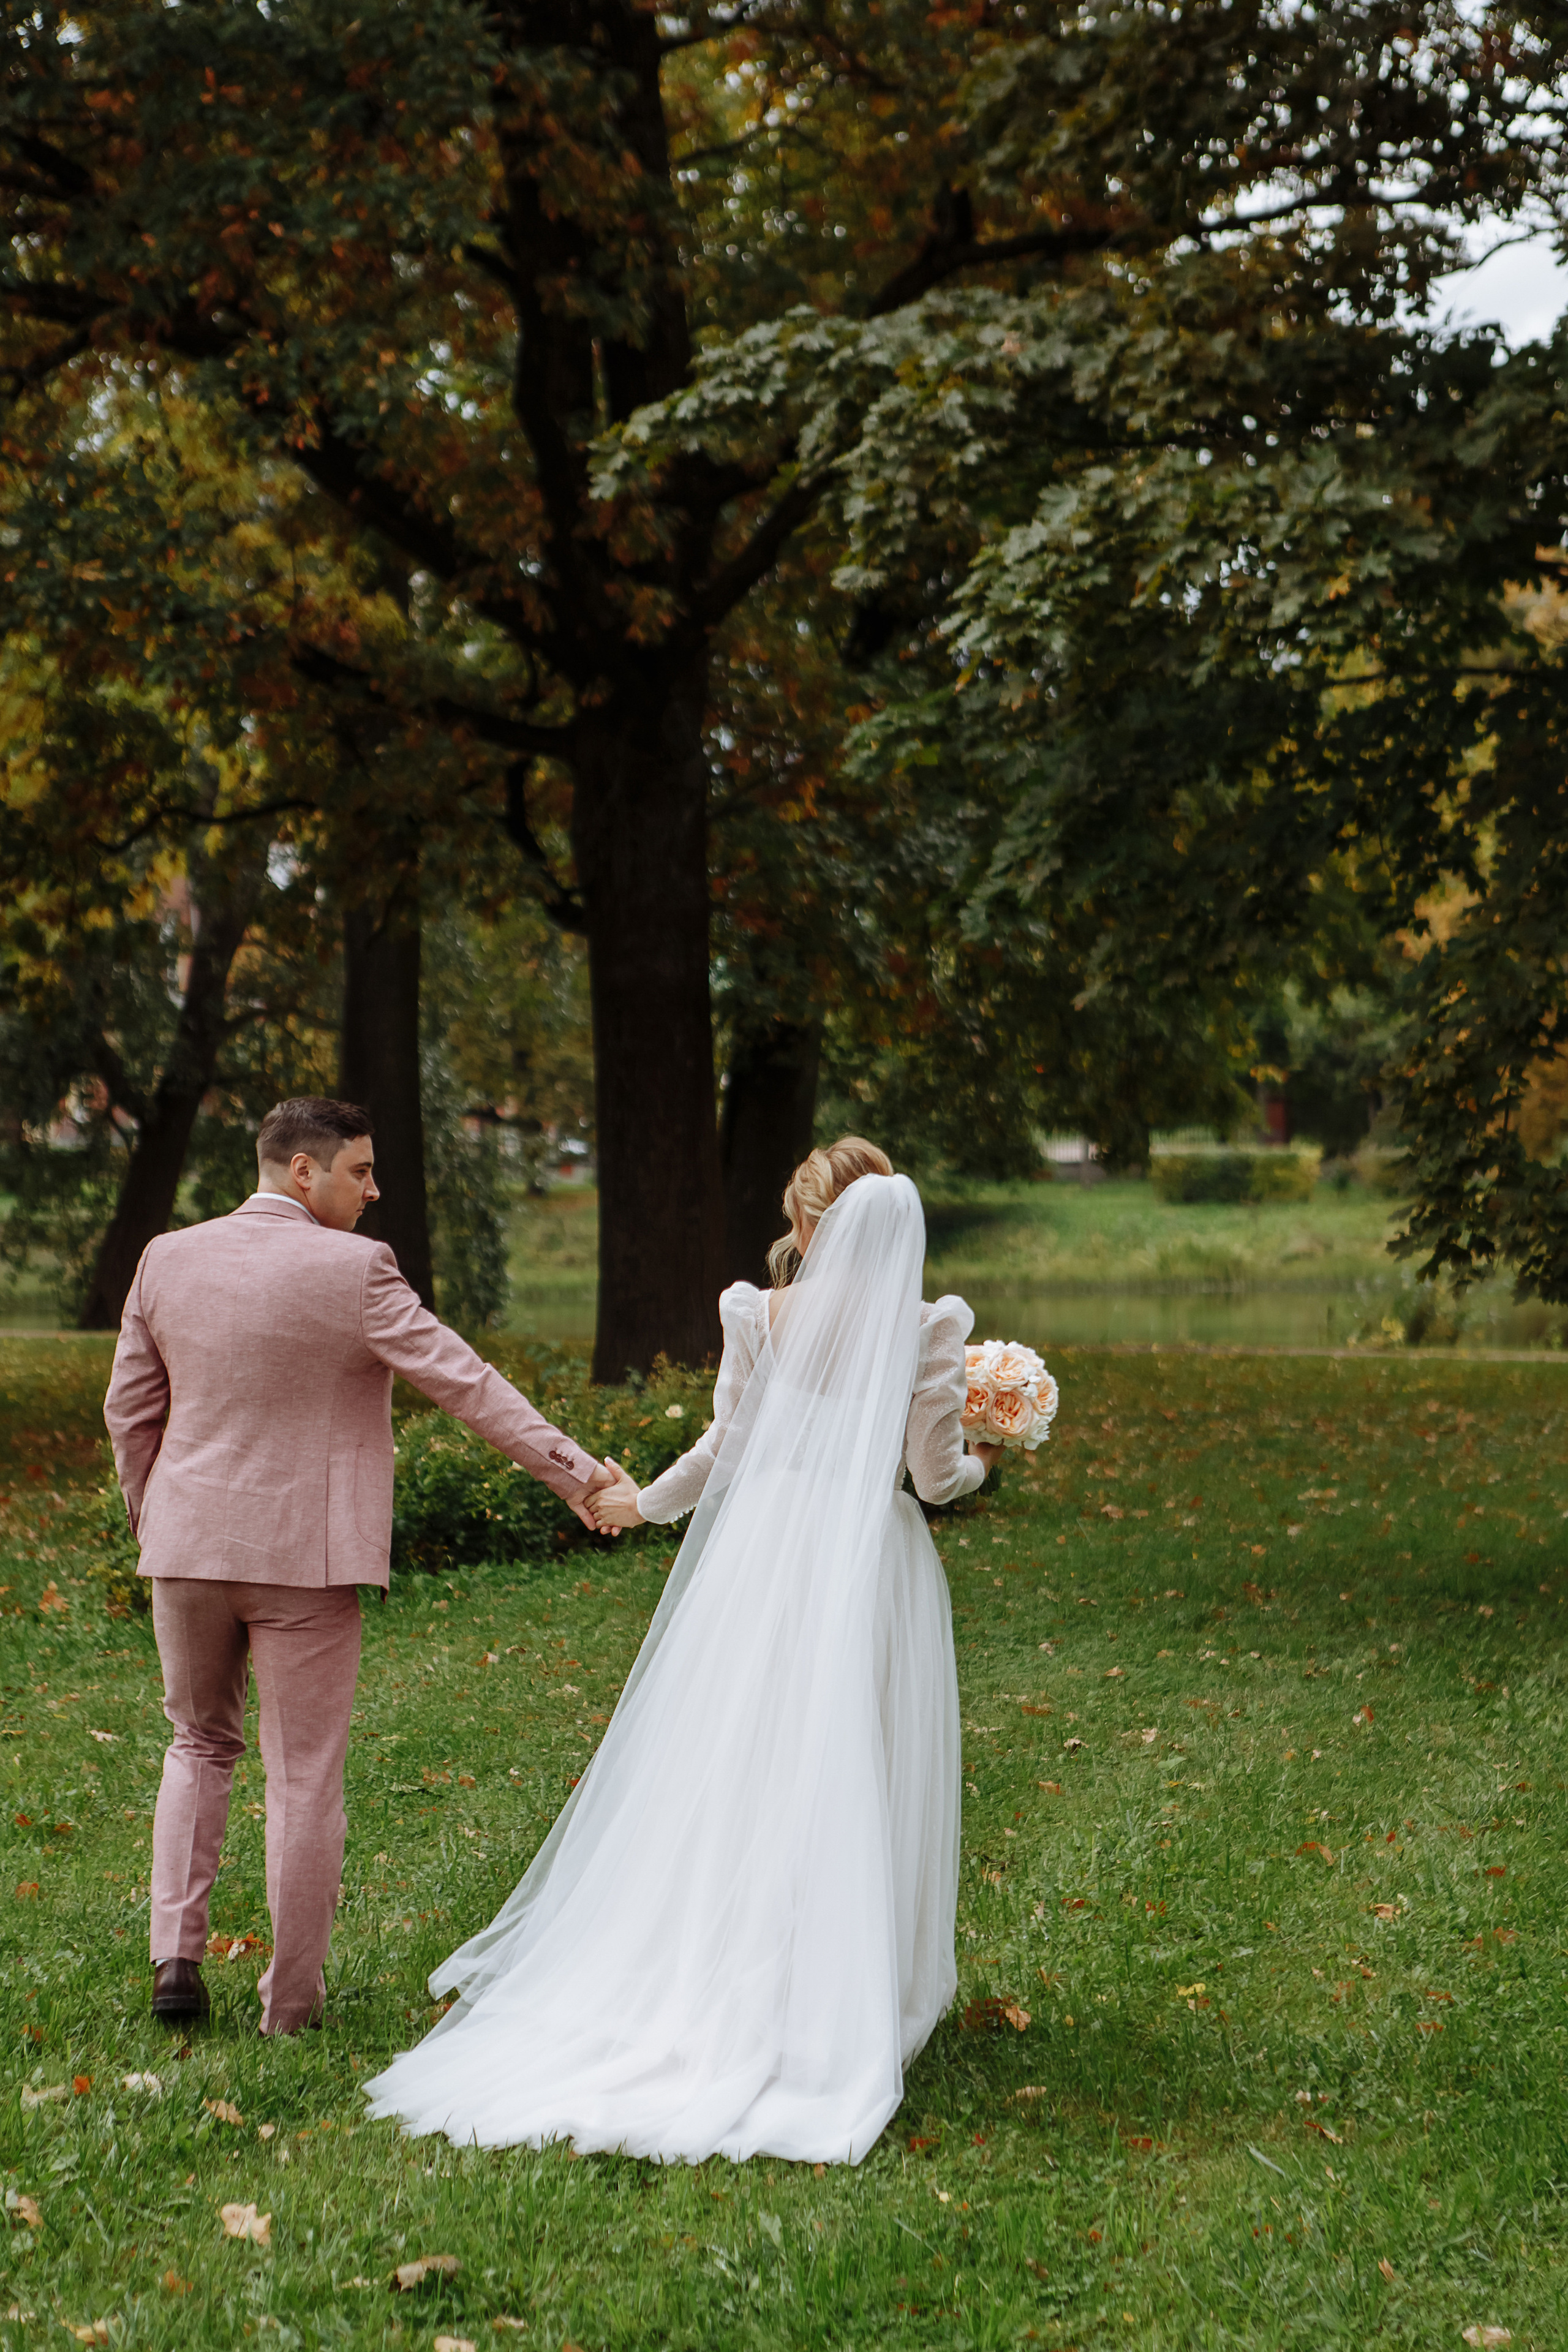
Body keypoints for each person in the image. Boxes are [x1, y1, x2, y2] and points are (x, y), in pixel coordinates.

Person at [363, 1137, 1002, 2163]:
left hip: (767, 1554)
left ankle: (719, 1970)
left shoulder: (760, 1310)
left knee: (741, 1764)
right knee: (855, 1761)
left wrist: (641, 1503)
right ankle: (835, 1992)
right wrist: (983, 1457)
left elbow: (730, 1448)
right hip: (871, 1562)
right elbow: (932, 1481)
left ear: (807, 1225)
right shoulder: (929, 1330)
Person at [103, 1095, 611, 2038]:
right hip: (307, 1560)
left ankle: (176, 1958)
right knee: (303, 1778)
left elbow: (128, 1412)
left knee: (197, 1743)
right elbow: (467, 1384)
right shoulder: (357, 1271)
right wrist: (576, 1475)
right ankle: (288, 2008)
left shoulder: (165, 1258)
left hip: (186, 1549)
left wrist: (157, 1519)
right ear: (304, 1170)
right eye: (361, 1172)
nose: (375, 1193)